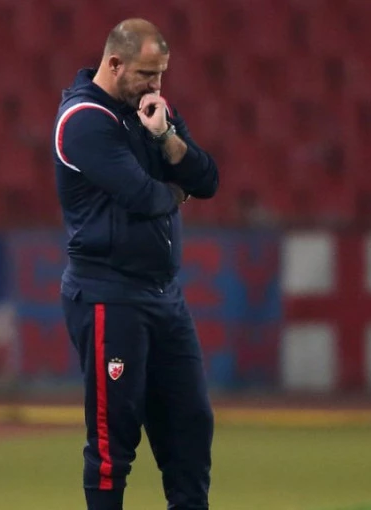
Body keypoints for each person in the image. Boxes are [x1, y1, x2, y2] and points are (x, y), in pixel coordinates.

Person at [51, 18, 219, 510]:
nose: (156, 84)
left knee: (191, 427)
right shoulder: (83, 120)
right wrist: (175, 190)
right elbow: (144, 196)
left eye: (161, 73)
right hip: (108, 293)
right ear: (114, 63)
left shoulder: (151, 112)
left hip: (164, 295)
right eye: (147, 73)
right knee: (113, 442)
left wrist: (166, 136)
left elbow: (207, 179)